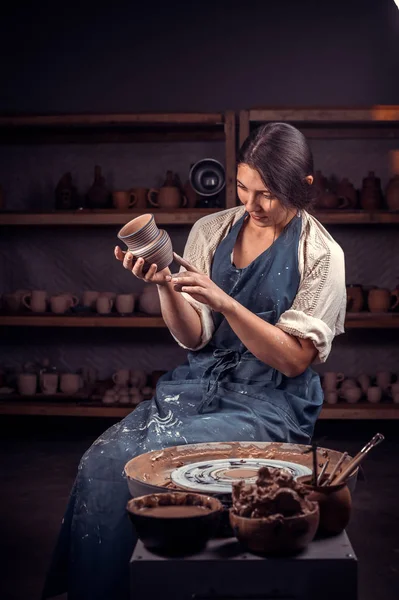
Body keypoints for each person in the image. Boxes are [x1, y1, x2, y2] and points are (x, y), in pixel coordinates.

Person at [42, 122, 346, 600]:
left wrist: (226, 302)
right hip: (198, 386)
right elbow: (195, 336)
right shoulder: (212, 229)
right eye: (243, 188)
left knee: (143, 461)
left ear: (304, 187)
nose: (253, 205)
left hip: (270, 402)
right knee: (102, 460)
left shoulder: (323, 253)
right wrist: (165, 283)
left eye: (267, 194)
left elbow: (292, 361)